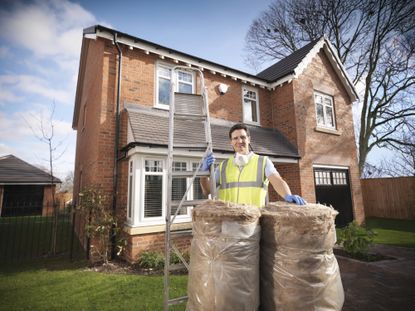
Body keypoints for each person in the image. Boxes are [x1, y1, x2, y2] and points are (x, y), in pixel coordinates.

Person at [200, 123, 306, 207]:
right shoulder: (223, 166)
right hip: (228, 223)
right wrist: (203, 173)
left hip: (253, 223)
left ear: (249, 139)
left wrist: (287, 194)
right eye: (235, 138)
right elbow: (207, 190)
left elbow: (277, 180)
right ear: (231, 142)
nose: (239, 141)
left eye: (242, 137)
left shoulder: (263, 162)